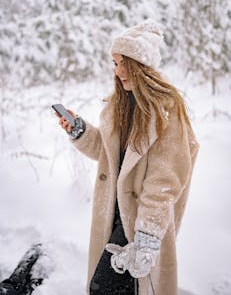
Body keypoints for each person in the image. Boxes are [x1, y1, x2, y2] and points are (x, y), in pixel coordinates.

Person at [55, 19, 199, 295]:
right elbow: (107, 154)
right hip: (113, 212)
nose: (118, 71)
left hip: (140, 219)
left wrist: (147, 236)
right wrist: (79, 130)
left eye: (124, 63)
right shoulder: (120, 104)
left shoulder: (166, 110)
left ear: (141, 66)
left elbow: (165, 180)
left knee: (104, 287)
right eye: (115, 63)